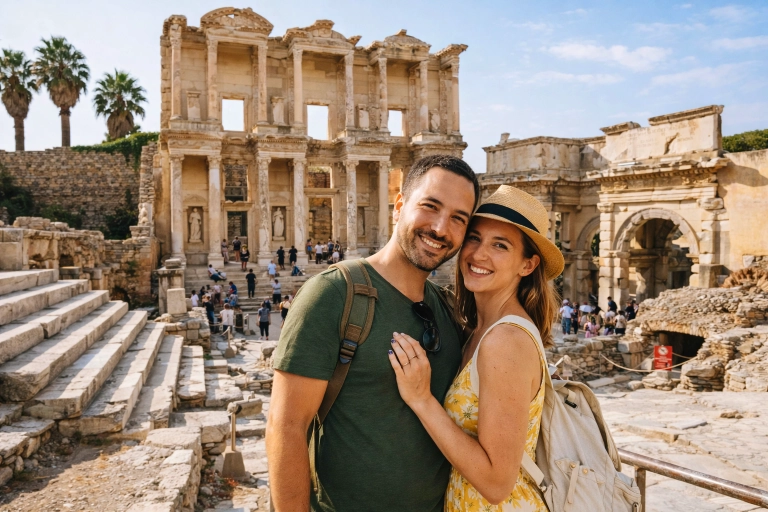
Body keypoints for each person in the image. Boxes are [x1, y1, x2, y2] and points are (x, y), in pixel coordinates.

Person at [268, 154, 479, 511]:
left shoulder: (447, 309)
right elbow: (286, 426)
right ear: (399, 206)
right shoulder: (332, 294)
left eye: (458, 218)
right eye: (430, 206)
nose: (441, 228)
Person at [388, 185, 563, 511]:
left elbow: (497, 483)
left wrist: (422, 400)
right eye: (474, 238)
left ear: (527, 265)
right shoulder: (477, 330)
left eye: (500, 245)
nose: (479, 254)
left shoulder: (505, 341)